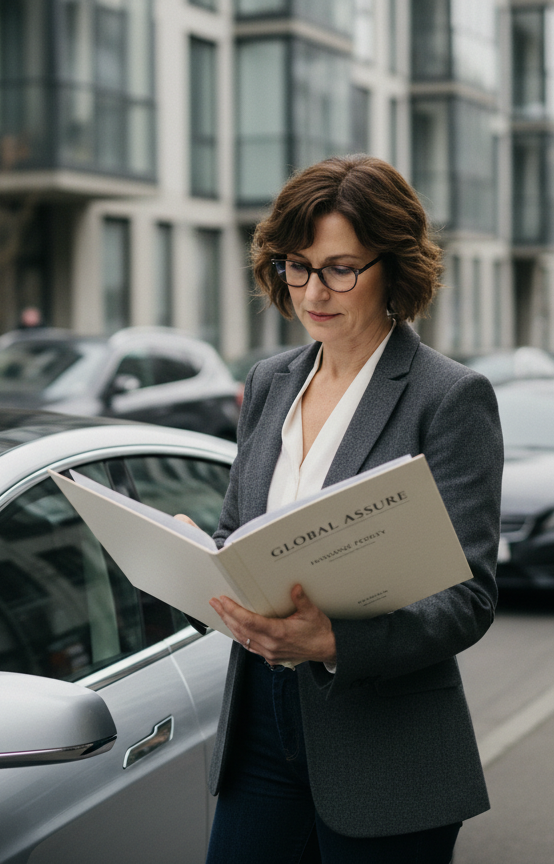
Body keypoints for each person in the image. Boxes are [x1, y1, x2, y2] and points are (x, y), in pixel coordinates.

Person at [190, 156, 503, 863]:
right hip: (262, 727)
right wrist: (196, 569)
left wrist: (334, 643)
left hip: (384, 742)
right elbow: (237, 534)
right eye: (295, 266)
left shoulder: (448, 398)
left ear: (395, 267)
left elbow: (469, 597)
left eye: (339, 268)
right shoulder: (270, 382)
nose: (312, 291)